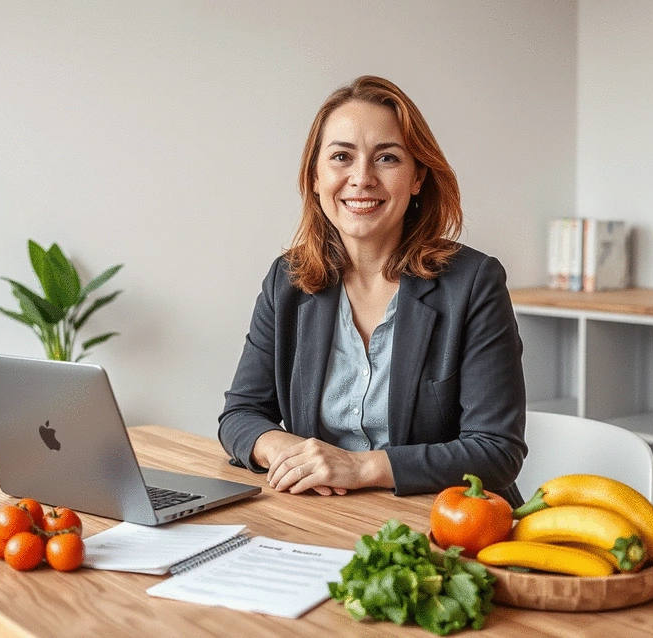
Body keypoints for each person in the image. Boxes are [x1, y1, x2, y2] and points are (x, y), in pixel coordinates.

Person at [217, 75, 527, 507]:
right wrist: (290, 453)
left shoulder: (474, 283)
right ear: (315, 177)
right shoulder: (286, 281)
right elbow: (241, 415)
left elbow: (496, 451)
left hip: (447, 524)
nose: (361, 178)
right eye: (341, 156)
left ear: (418, 176)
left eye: (387, 158)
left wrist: (363, 467)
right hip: (327, 515)